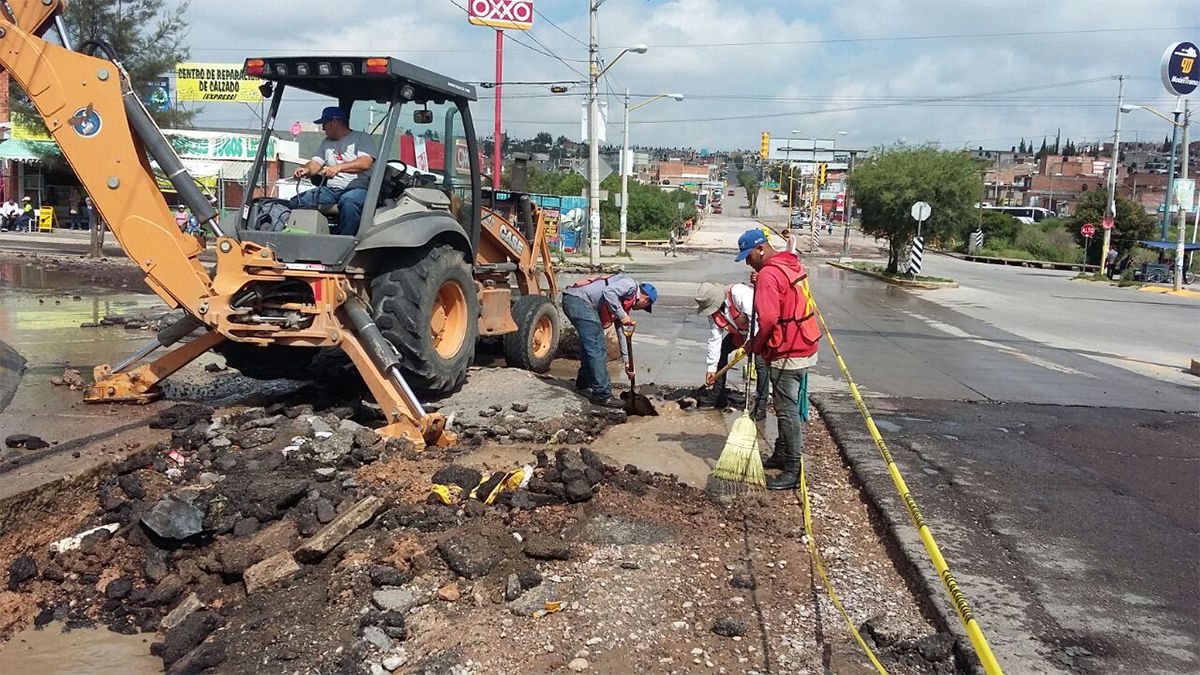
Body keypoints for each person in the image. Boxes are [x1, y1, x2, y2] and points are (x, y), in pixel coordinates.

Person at [735, 228, 821, 490]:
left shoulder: (769, 274)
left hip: (789, 349)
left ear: (760, 249)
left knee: (786, 410)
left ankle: (793, 469)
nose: (747, 262)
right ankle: (782, 454)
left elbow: (769, 319)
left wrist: (756, 344)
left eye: (748, 256)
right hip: (804, 341)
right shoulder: (788, 263)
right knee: (784, 404)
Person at [561, 273, 657, 408]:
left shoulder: (623, 302)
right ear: (646, 299)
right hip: (579, 301)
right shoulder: (630, 284)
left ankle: (584, 383)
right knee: (598, 347)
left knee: (591, 346)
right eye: (644, 307)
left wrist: (627, 362)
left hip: (576, 301)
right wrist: (622, 316)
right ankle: (602, 395)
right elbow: (609, 292)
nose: (641, 309)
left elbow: (622, 333)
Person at [290, 106, 378, 236]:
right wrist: (306, 169)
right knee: (298, 201)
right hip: (331, 190)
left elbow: (365, 163)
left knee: (349, 202)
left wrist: (338, 168)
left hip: (357, 188)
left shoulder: (362, 138)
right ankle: (304, 238)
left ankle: (345, 241)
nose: (323, 128)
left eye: (324, 124)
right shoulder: (326, 143)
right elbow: (315, 163)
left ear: (335, 122)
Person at [695, 281, 757, 409]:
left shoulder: (739, 293)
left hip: (760, 332)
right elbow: (715, 339)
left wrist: (748, 343)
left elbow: (756, 319)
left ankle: (760, 405)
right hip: (741, 333)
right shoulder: (713, 314)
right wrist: (711, 368)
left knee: (761, 365)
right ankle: (718, 394)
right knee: (722, 352)